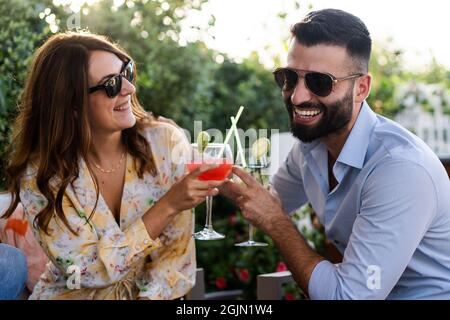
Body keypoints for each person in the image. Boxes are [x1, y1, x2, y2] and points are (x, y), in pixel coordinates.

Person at [221, 9, 450, 299]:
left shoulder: (400, 169)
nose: (297, 96)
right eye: (289, 77)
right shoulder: (310, 148)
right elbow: (270, 200)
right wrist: (209, 173)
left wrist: (276, 223)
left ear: (361, 88)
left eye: (320, 82)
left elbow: (346, 296)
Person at [2, 31, 224, 300]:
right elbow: (86, 270)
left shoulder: (164, 145)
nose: (129, 89)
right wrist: (168, 204)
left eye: (127, 73)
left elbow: (174, 258)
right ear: (71, 104)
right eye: (111, 85)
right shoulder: (41, 174)